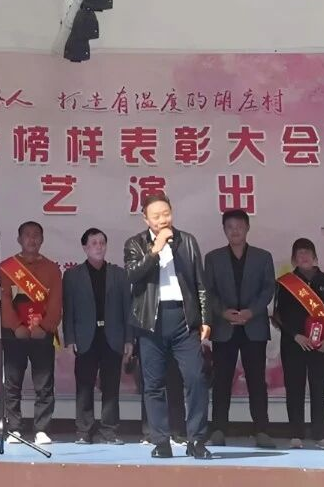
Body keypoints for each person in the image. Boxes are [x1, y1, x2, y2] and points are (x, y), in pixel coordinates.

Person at [124, 192, 213, 460]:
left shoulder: (187, 241)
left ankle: (196, 439)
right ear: (145, 219)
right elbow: (133, 274)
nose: (162, 220)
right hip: (151, 320)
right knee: (153, 383)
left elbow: (200, 283)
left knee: (196, 379)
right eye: (156, 216)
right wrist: (156, 248)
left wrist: (205, 319)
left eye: (166, 214)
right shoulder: (135, 243)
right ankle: (160, 440)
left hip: (183, 318)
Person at [204, 210, 276, 448]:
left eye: (239, 226)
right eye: (230, 227)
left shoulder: (263, 257)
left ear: (247, 228)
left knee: (257, 380)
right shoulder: (213, 258)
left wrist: (251, 312)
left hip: (253, 326)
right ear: (224, 230)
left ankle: (262, 430)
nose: (235, 231)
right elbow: (208, 291)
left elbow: (268, 289)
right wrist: (223, 312)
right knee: (221, 380)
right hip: (224, 327)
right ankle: (218, 429)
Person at [63, 227, 133, 445]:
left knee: (111, 386)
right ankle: (83, 431)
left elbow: (128, 309)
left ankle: (109, 431)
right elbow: (68, 309)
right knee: (84, 385)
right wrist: (70, 338)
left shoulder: (119, 274)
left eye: (102, 243)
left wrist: (129, 339)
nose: (99, 247)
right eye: (93, 243)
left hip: (112, 336)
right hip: (85, 337)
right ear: (85, 248)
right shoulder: (73, 275)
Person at [0, 220, 62, 446]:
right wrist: (16, 326)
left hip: (42, 334)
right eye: (27, 235)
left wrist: (44, 327)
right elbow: (4, 300)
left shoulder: (52, 269)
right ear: (19, 239)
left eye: (36, 235)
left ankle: (42, 429)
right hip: (14, 334)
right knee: (12, 383)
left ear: (42, 239)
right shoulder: (7, 267)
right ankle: (14, 428)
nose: (32, 239)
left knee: (44, 384)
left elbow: (56, 302)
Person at [275, 238, 324, 450]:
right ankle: (296, 434)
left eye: (307, 252)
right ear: (294, 259)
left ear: (315, 257)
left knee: (319, 389)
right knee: (294, 389)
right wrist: (295, 335)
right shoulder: (286, 283)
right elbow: (278, 315)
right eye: (299, 253)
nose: (303, 256)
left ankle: (321, 434)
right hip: (294, 344)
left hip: (321, 346)